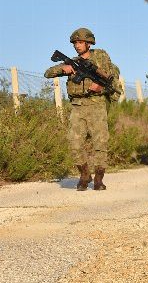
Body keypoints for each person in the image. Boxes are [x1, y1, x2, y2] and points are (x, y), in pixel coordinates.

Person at [44, 28, 120, 191]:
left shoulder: (101, 57)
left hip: (97, 105)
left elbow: (113, 80)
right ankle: (85, 174)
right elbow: (47, 73)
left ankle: (99, 179)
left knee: (100, 143)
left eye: (80, 42)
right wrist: (63, 69)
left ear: (89, 43)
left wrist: (100, 87)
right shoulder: (73, 62)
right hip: (77, 106)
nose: (77, 46)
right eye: (75, 43)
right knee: (74, 142)